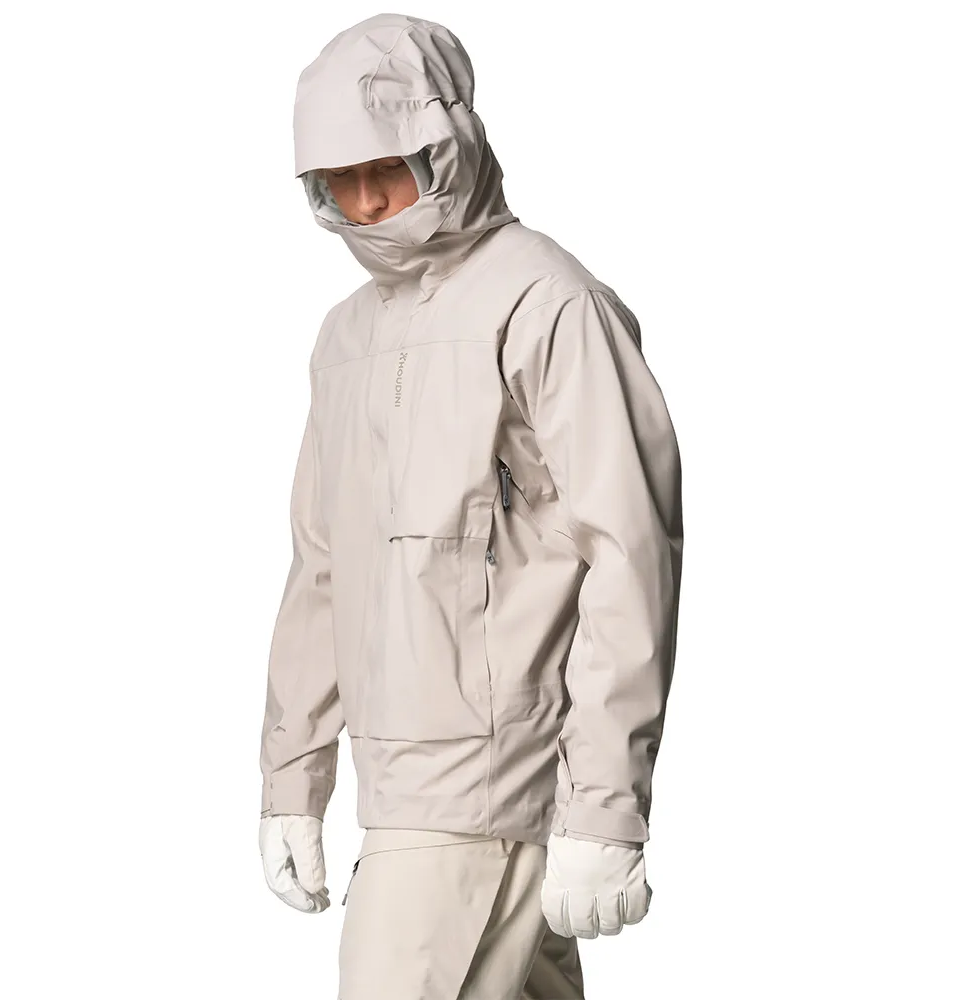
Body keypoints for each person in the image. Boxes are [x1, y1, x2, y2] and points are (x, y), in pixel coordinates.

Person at [257, 13, 683, 999]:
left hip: (486, 790)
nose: (366, 200)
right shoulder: (346, 337)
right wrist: (293, 776)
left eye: (387, 167)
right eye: (339, 178)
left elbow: (629, 552)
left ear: (444, 143)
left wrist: (605, 805)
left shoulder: (545, 301)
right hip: (399, 788)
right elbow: (322, 566)